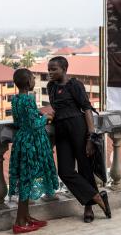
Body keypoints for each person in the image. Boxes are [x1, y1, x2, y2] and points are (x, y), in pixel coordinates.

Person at [47, 56, 111, 223]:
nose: (50, 72)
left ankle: (88, 207)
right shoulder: (50, 87)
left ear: (64, 69)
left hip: (78, 128)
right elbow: (55, 109)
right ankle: (97, 196)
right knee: (65, 171)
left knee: (85, 168)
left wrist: (90, 137)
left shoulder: (75, 85)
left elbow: (87, 109)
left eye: (54, 69)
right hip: (61, 130)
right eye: (49, 69)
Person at [8, 68, 59, 234]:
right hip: (31, 144)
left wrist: (37, 113)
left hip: (21, 141)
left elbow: (18, 122)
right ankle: (20, 222)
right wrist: (46, 117)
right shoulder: (28, 100)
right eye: (33, 79)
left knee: (25, 180)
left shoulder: (15, 99)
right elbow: (34, 125)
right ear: (29, 82)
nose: (34, 81)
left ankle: (26, 217)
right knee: (27, 181)